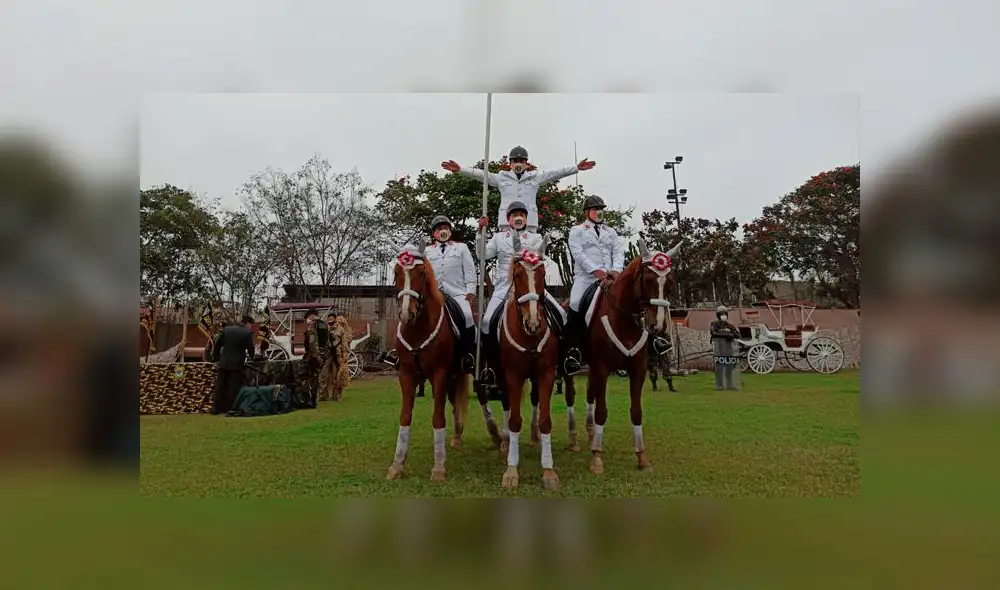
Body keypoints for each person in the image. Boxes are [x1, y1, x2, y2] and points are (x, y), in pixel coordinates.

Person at [476, 201, 566, 382]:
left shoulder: (535, 238)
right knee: (486, 322)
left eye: (521, 215)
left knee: (562, 315)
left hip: (531, 286)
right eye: (514, 215)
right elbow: (482, 255)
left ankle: (560, 363)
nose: (518, 218)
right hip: (505, 287)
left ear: (526, 218)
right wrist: (479, 233)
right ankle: (492, 367)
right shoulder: (498, 238)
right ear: (508, 219)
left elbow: (540, 257)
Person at [442, 145, 596, 232]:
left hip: (529, 224)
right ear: (510, 163)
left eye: (521, 160)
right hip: (506, 223)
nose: (518, 163)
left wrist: (575, 167)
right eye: (515, 160)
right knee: (507, 260)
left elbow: (556, 173)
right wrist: (461, 169)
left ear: (526, 163)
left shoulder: (535, 177)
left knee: (530, 260)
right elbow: (482, 174)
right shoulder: (502, 177)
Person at [563, 195, 624, 374]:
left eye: (601, 209)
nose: (599, 212)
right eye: (595, 209)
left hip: (611, 277)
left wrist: (616, 270)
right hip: (586, 278)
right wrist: (595, 271)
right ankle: (572, 351)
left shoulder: (610, 232)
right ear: (587, 212)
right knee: (575, 303)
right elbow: (578, 254)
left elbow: (619, 252)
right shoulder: (577, 230)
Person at [424, 215, 478, 373]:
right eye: (439, 228)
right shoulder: (427, 251)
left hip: (456, 294)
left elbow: (470, 271)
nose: (443, 231)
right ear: (434, 233)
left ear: (450, 231)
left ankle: (467, 354)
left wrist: (470, 291)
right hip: (433, 296)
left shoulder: (461, 248)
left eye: (445, 228)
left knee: (468, 317)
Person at [211, 314, 257, 414]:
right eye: (250, 325)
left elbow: (218, 345)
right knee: (233, 387)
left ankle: (216, 409)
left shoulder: (227, 330)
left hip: (224, 363)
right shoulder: (247, 333)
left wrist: (216, 358)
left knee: (220, 386)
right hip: (237, 364)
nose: (251, 327)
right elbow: (251, 349)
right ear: (247, 323)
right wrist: (252, 358)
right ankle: (230, 409)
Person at [303, 309, 331, 404]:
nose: (307, 321)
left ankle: (314, 396)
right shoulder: (324, 324)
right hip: (325, 353)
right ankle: (323, 395)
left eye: (307, 318)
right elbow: (328, 340)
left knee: (312, 376)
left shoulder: (313, 325)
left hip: (315, 354)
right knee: (322, 375)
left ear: (311, 316)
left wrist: (315, 355)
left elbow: (312, 342)